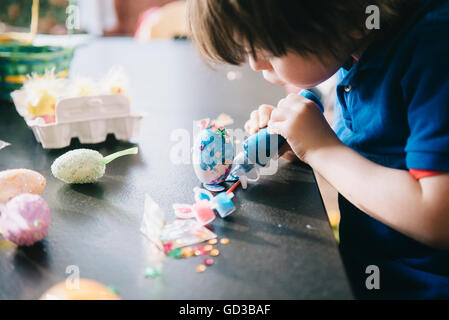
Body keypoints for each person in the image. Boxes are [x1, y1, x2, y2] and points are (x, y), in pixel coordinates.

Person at [187, 0, 449, 299]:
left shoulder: (435, 48)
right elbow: (381, 152)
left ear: (345, 15)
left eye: (268, 51)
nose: (255, 65)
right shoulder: (357, 44)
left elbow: (439, 217)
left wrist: (321, 149)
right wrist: (300, 141)